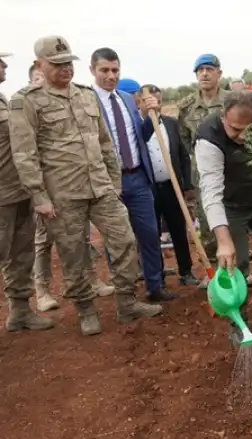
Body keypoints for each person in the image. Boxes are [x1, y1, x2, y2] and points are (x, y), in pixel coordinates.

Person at [9, 35, 163, 336]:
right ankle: (86, 310)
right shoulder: (26, 101)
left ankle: (127, 302)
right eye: (57, 64)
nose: (66, 68)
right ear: (39, 64)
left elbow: (105, 142)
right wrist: (39, 196)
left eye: (68, 62)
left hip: (101, 188)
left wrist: (113, 180)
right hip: (62, 193)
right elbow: (25, 154)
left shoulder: (85, 95)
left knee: (125, 240)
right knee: (73, 254)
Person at [195, 90, 252, 345]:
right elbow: (212, 192)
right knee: (236, 263)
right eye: (236, 129)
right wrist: (223, 241)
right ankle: (239, 322)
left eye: (250, 129)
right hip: (229, 205)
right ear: (223, 116)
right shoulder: (208, 137)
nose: (244, 137)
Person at [26, 63, 114, 312]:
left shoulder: (76, 98)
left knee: (80, 237)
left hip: (77, 186)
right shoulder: (28, 107)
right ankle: (42, 289)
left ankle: (91, 278)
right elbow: (28, 154)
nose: (41, 83)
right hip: (49, 189)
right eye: (36, 79)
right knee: (44, 242)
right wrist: (39, 194)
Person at [89, 47, 175, 302]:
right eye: (104, 70)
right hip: (107, 182)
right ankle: (124, 292)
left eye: (115, 70)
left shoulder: (127, 99)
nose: (111, 75)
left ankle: (154, 285)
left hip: (137, 177)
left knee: (149, 233)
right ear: (92, 70)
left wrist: (152, 116)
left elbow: (141, 135)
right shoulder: (86, 102)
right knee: (117, 240)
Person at [0, 51, 54, 332]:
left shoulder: (5, 99)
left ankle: (20, 311)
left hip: (19, 191)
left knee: (21, 256)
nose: (5, 65)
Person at [177, 53, 233, 289]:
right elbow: (184, 141)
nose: (205, 74)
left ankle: (240, 268)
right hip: (203, 175)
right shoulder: (187, 107)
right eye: (200, 70)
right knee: (208, 220)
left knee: (235, 219)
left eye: (209, 69)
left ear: (219, 73)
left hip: (233, 172)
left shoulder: (233, 100)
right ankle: (214, 271)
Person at [135, 84, 198, 286]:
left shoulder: (171, 124)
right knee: (151, 233)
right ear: (140, 103)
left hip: (172, 187)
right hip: (148, 190)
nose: (155, 105)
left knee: (179, 229)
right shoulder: (135, 127)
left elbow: (182, 155)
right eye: (149, 101)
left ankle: (186, 271)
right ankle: (157, 274)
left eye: (158, 101)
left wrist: (187, 185)